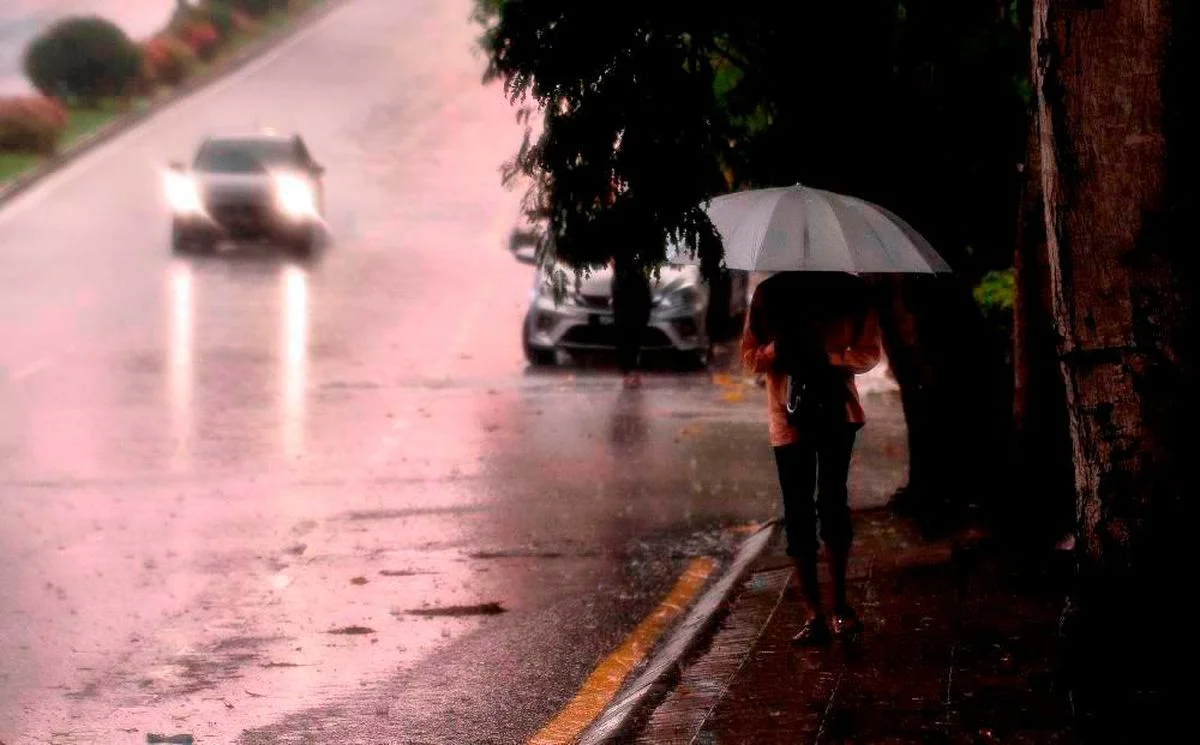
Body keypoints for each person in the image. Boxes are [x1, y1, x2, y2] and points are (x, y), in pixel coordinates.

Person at [741, 272, 882, 645]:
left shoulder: (852, 294)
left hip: (838, 413)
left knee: (833, 503)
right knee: (797, 511)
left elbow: (869, 351)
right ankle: (813, 614)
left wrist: (829, 357)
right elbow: (750, 356)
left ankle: (840, 608)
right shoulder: (770, 295)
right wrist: (779, 350)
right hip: (787, 419)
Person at [611, 256, 652, 388]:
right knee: (624, 328)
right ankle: (629, 370)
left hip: (639, 286)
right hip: (624, 285)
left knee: (636, 328)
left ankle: (631, 369)